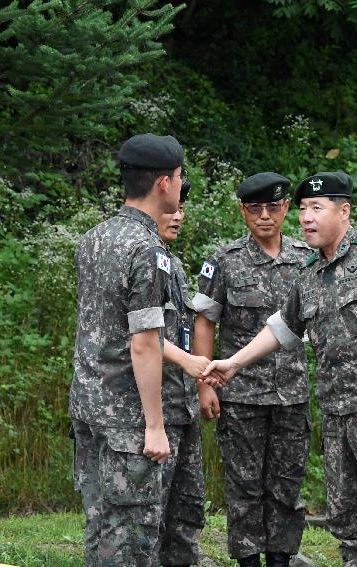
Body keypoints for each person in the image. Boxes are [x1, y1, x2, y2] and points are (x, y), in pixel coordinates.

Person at [202, 171, 357, 567]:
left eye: (316, 209)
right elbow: (281, 328)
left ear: (344, 211)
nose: (306, 218)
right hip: (336, 413)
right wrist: (233, 363)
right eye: (303, 209)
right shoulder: (307, 274)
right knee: (347, 514)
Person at [69, 133, 185, 567]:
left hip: (88, 405)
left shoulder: (94, 237)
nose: (179, 185)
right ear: (163, 184)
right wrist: (154, 426)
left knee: (100, 525)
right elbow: (144, 343)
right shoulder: (147, 249)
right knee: (131, 536)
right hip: (124, 419)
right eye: (178, 177)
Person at [191, 173, 312, 567]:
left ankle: (280, 558)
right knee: (244, 485)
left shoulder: (306, 259)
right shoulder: (223, 262)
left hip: (292, 393)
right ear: (243, 211)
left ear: (286, 209)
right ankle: (247, 560)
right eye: (255, 208)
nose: (264, 216)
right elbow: (205, 322)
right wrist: (205, 385)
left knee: (287, 483)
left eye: (273, 207)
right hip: (241, 394)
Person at [155, 179, 206, 567]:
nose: (178, 216)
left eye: (182, 210)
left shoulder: (173, 264)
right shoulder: (144, 260)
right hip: (154, 412)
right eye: (171, 209)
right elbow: (137, 337)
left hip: (183, 406)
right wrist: (191, 364)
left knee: (187, 511)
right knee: (150, 517)